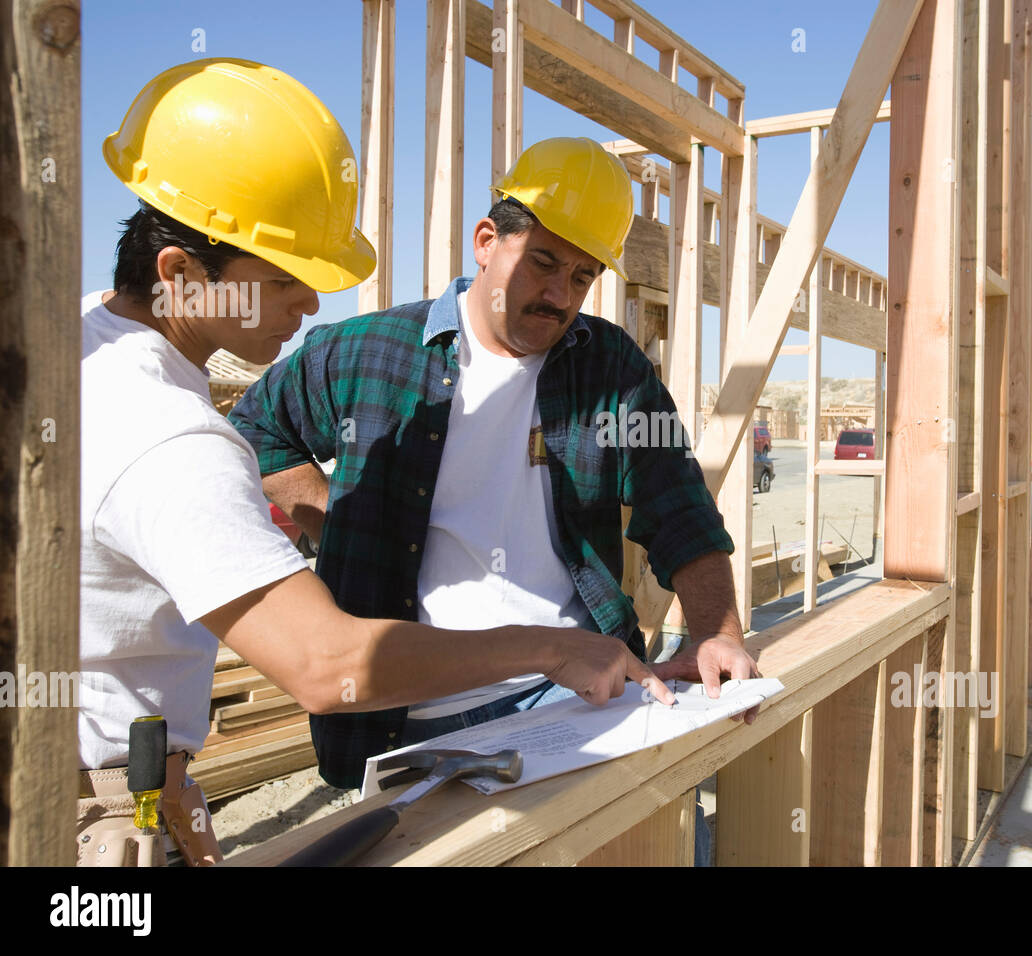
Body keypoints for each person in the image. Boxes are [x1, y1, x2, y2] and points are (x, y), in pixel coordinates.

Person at [79, 62, 671, 868]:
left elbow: (675, 498)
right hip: (107, 814)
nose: (308, 304)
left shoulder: (79, 348)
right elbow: (326, 666)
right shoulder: (176, 438)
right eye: (285, 278)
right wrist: (550, 647)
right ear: (180, 274)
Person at [229, 137, 761, 804]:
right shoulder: (365, 352)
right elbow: (255, 432)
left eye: (582, 276)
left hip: (579, 690)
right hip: (414, 721)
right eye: (543, 262)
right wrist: (339, 519)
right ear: (486, 240)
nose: (559, 295)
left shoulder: (609, 367)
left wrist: (717, 631)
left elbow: (677, 503)